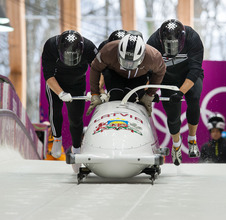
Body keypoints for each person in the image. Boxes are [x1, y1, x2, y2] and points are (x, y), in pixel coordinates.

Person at [147, 19, 204, 166]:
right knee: (173, 115)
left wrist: (180, 92)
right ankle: (176, 144)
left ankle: (192, 139)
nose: (171, 49)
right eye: (168, 45)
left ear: (182, 40)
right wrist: (150, 91)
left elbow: (195, 70)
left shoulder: (193, 38)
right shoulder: (152, 42)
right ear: (161, 40)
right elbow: (148, 72)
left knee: (193, 97)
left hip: (188, 75)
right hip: (167, 78)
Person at [42, 30, 98, 172]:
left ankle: (76, 149)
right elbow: (48, 75)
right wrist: (60, 93)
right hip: (56, 82)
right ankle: (57, 139)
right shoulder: (50, 46)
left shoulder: (90, 47)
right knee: (55, 109)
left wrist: (95, 90)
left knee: (76, 118)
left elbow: (99, 70)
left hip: (77, 84)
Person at [86, 31, 166, 116]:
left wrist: (150, 94)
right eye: (125, 61)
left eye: (132, 62)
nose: (128, 65)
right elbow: (95, 67)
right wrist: (95, 93)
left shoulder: (153, 56)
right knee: (115, 94)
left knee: (131, 97)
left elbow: (160, 72)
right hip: (115, 74)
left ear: (142, 56)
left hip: (138, 77)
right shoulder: (109, 49)